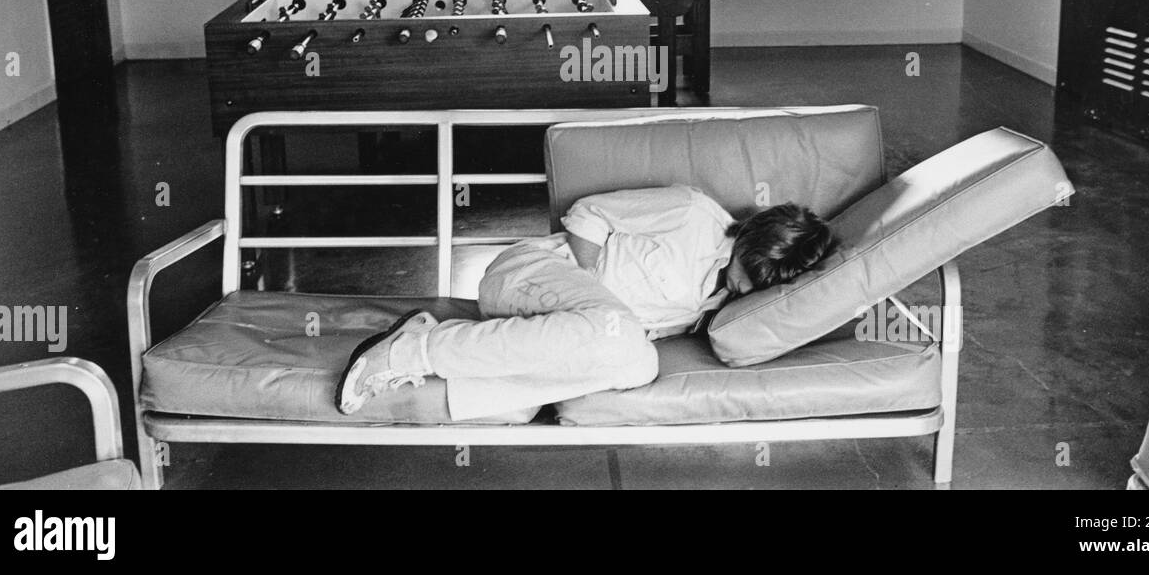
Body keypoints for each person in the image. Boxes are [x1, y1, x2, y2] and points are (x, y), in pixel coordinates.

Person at [335, 185, 836, 421]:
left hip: (560, 334)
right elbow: (589, 214)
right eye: (755, 271)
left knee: (625, 369)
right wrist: (590, 299)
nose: (751, 288)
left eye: (765, 285)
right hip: (528, 276)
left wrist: (594, 326)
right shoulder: (692, 212)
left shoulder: (722, 301)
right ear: (755, 236)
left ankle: (424, 353)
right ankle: (411, 352)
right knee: (621, 337)